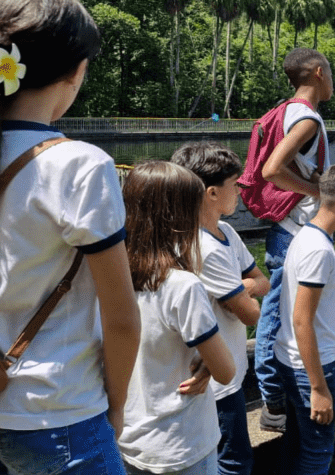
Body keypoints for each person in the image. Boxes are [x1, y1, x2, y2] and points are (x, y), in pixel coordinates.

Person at [0, 0, 140, 475]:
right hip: (54, 414)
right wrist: (116, 407)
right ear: (75, 74)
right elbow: (121, 318)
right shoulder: (79, 166)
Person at [118, 161, 236, 475]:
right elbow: (226, 371)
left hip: (127, 437)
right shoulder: (182, 287)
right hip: (181, 443)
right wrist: (210, 364)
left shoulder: (109, 278)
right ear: (180, 219)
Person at [171, 142, 270, 475]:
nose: (241, 190)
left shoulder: (225, 232)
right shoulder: (205, 247)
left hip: (228, 372)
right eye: (235, 184)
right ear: (212, 193)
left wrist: (240, 290)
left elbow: (261, 281)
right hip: (218, 384)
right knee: (233, 462)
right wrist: (246, 293)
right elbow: (252, 313)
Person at [249, 47, 334, 433]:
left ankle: (276, 394)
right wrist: (315, 193)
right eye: (330, 73)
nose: (332, 81)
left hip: (287, 229)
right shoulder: (308, 120)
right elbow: (271, 170)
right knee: (276, 314)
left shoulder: (288, 111)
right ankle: (273, 400)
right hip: (292, 230)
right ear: (318, 73)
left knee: (281, 310)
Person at [274, 164, 335, 475]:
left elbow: (305, 314)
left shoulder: (305, 237)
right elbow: (301, 319)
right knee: (317, 454)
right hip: (308, 371)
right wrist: (318, 388)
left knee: (297, 447)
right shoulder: (319, 251)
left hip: (297, 359)